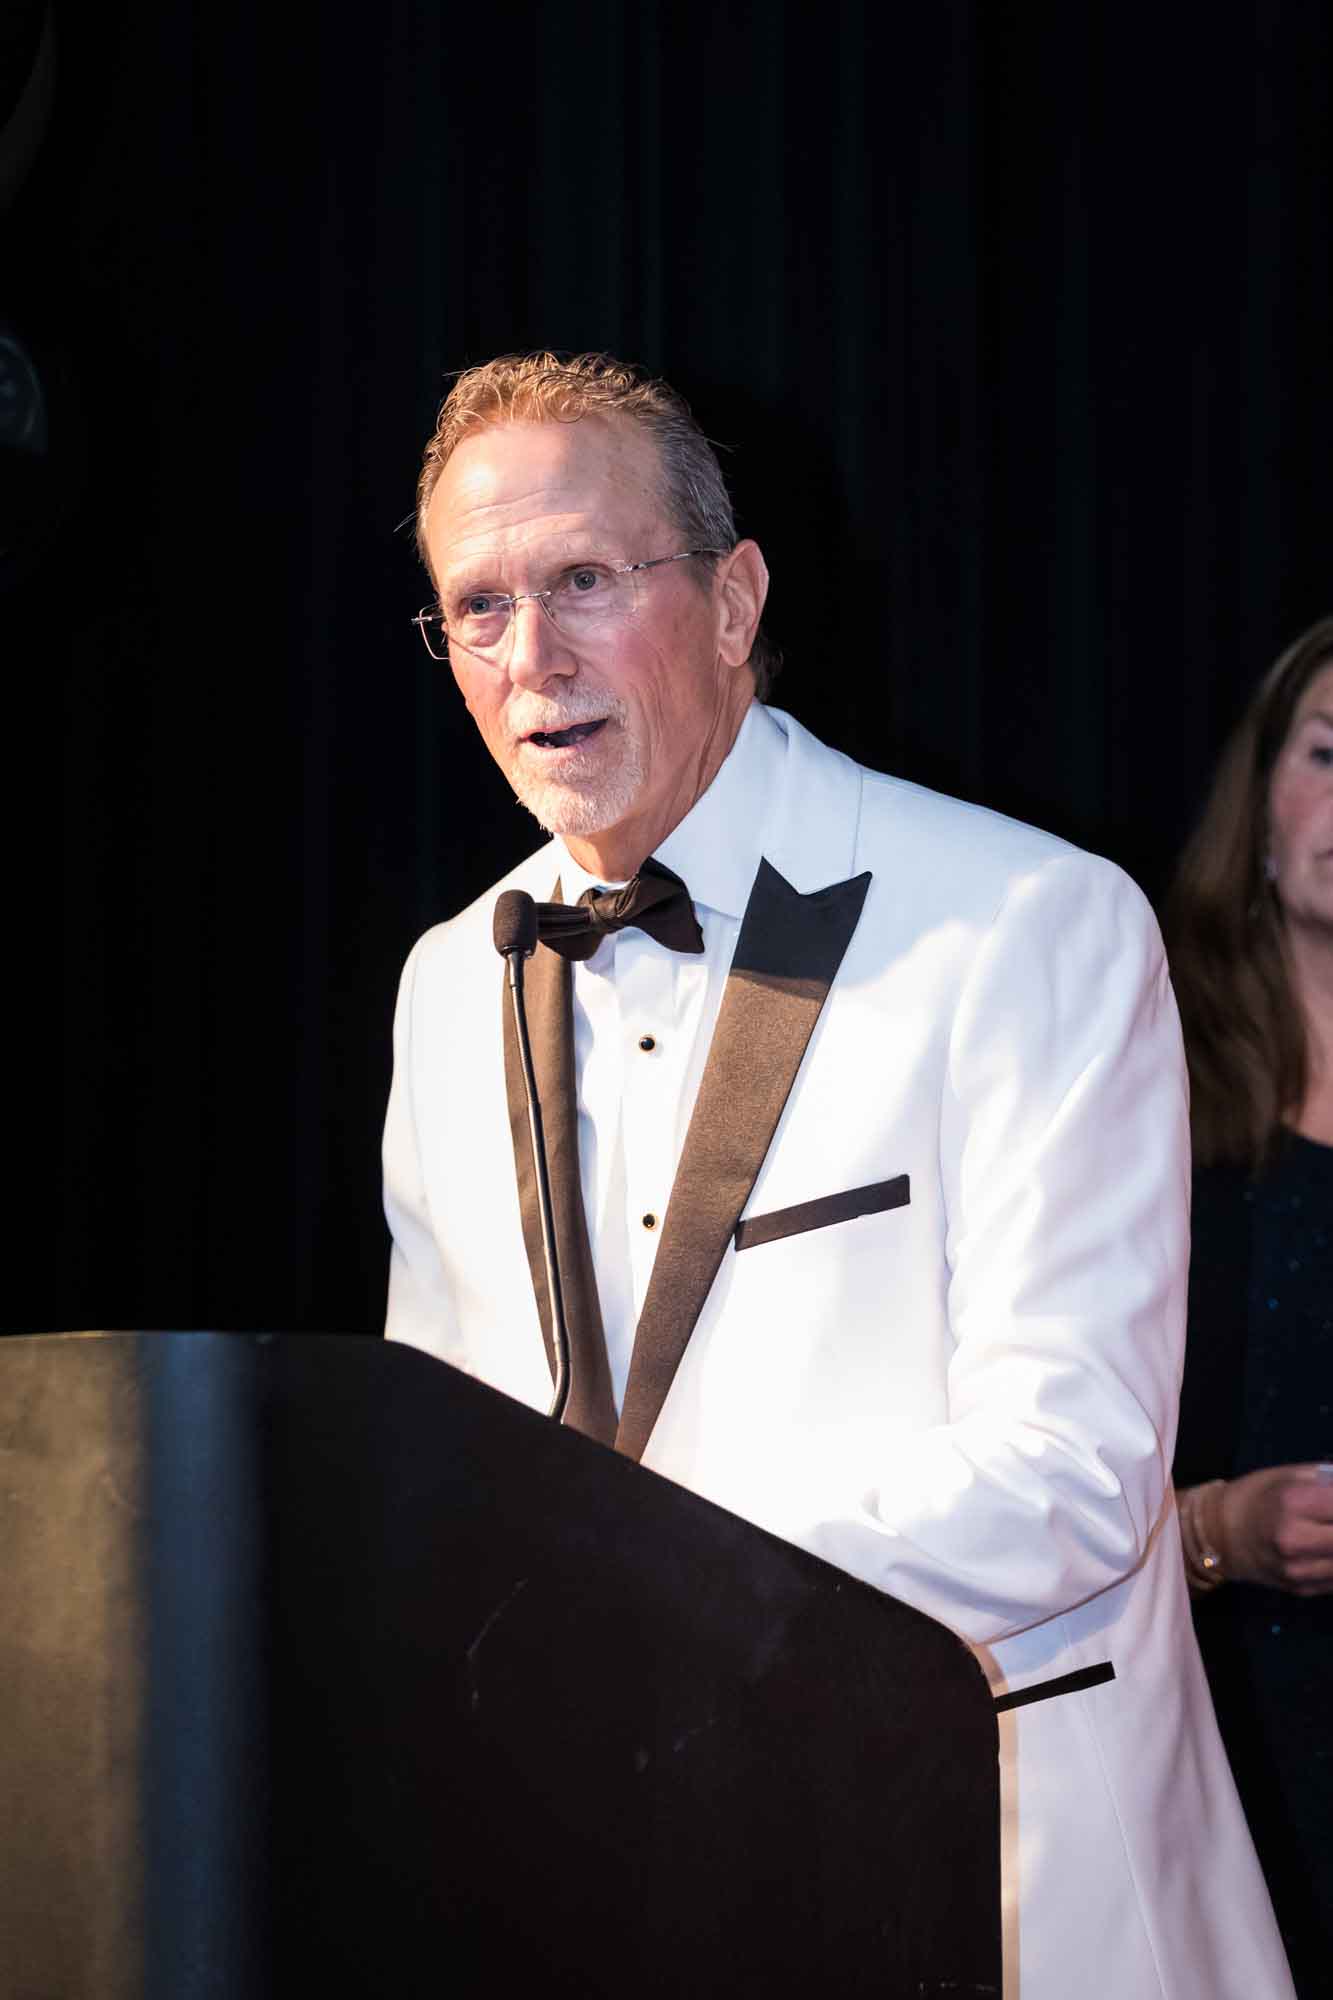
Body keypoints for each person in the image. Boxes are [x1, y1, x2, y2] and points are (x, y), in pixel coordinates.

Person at [382, 351, 1292, 1997]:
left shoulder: (1028, 922)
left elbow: (1074, 1471)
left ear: (733, 601)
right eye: (478, 606)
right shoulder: (450, 976)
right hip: (610, 1883)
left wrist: (627, 1580)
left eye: (586, 580)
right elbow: (440, 1448)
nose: (532, 660)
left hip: (993, 1873)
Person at [1164, 616, 1333, 1997]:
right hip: (1213, 1734)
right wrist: (1216, 1532)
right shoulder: (1141, 1066)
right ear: (1259, 797)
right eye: (1331, 757)